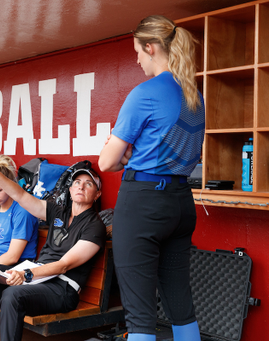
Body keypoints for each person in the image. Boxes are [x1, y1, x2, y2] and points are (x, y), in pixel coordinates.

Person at [98, 15, 205, 341]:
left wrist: (125, 157)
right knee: (180, 305)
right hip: (181, 205)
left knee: (140, 315)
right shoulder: (194, 96)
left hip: (143, 204)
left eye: (138, 52)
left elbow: (106, 161)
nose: (137, 59)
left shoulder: (144, 94)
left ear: (151, 46)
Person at [0, 150, 106, 341]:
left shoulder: (95, 226)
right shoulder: (58, 211)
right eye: (77, 183)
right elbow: (21, 196)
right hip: (36, 279)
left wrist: (27, 274)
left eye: (88, 184)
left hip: (62, 288)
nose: (81, 187)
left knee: (13, 295)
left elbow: (64, 265)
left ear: (97, 194)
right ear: (70, 189)